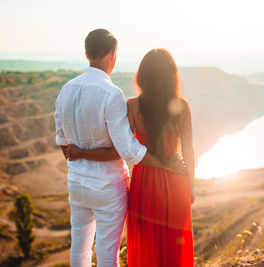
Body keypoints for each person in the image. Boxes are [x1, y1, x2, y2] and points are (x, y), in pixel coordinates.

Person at [54, 29, 184, 267]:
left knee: (79, 249)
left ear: (86, 54)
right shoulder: (112, 94)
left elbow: (63, 143)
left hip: (76, 183)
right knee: (107, 254)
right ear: (113, 54)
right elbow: (128, 150)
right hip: (107, 187)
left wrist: (80, 156)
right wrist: (164, 163)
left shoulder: (66, 90)